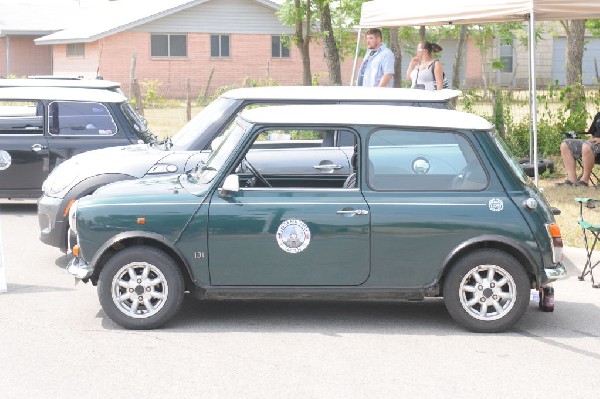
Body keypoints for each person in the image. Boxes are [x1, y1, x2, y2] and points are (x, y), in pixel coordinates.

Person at [558, 112, 600, 187]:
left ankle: (584, 181)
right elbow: (592, 132)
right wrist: (592, 138)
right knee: (565, 144)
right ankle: (572, 180)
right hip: (594, 143)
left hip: (592, 146)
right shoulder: (599, 115)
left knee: (587, 146)